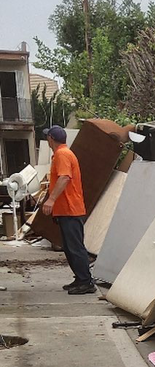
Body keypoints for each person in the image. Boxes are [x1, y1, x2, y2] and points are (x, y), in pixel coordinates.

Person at [41, 125, 95, 295]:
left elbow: (64, 177)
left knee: (75, 247)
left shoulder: (62, 155)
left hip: (71, 209)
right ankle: (80, 279)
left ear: (51, 138)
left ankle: (86, 282)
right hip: (67, 210)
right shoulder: (63, 153)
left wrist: (51, 199)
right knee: (70, 247)